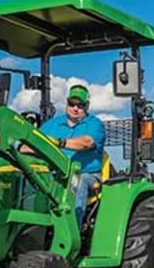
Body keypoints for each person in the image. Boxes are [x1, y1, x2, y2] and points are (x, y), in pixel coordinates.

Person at [40, 84, 106, 229]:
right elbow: (32, 142)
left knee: (77, 181)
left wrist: (59, 142)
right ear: (66, 104)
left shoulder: (95, 125)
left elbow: (87, 143)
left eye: (80, 105)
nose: (75, 108)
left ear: (87, 106)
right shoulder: (51, 125)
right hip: (54, 174)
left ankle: (72, 230)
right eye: (72, 104)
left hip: (87, 174)